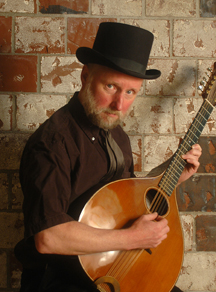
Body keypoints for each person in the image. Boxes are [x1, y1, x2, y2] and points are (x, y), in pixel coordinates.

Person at [15, 22, 202, 292]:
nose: (119, 104)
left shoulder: (116, 135)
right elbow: (48, 237)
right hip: (63, 278)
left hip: (114, 264)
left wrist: (173, 175)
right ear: (85, 76)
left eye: (130, 92)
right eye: (111, 87)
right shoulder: (53, 143)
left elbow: (128, 200)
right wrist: (132, 238)